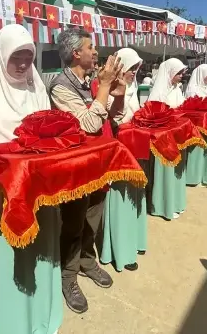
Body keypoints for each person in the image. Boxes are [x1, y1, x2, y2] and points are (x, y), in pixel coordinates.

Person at [0, 25, 60, 334]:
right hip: (4, 197)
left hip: (41, 192)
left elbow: (50, 137)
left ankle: (41, 316)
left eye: (28, 56)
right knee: (8, 260)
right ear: (0, 55)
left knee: (42, 252)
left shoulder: (37, 90)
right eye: (15, 56)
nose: (22, 64)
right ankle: (9, 322)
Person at [48, 27, 126, 314]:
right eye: (90, 47)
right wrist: (104, 87)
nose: (96, 52)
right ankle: (68, 277)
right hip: (75, 168)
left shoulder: (91, 81)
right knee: (73, 222)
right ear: (75, 53)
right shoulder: (60, 86)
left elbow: (111, 116)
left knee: (94, 215)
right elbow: (88, 124)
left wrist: (117, 93)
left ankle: (86, 260)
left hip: (98, 163)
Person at [100, 48, 146, 272]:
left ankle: (133, 241)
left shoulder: (133, 89)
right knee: (120, 200)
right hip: (118, 153)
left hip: (134, 151)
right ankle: (119, 250)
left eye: (137, 68)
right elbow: (113, 118)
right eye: (131, 68)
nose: (134, 73)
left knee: (133, 198)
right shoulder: (110, 91)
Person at [146, 58, 189, 220]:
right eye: (178, 73)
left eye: (181, 73)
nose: (181, 76)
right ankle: (162, 206)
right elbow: (153, 115)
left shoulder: (177, 90)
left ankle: (175, 202)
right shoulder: (158, 93)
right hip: (163, 140)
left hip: (177, 136)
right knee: (164, 173)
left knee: (177, 171)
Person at [184, 63, 207, 188]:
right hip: (196, 127)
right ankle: (193, 178)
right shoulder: (193, 90)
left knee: (205, 151)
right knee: (196, 151)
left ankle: (203, 176)